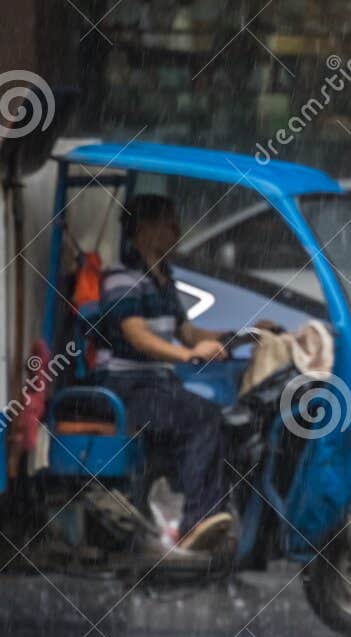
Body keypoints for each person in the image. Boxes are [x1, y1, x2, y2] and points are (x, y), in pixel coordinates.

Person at [95, 194, 236, 553]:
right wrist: (188, 354)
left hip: (158, 385)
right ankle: (195, 526)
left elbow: (188, 332)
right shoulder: (122, 276)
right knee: (203, 417)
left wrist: (240, 334)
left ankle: (214, 516)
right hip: (130, 388)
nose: (178, 232)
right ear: (144, 230)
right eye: (170, 225)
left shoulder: (163, 278)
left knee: (233, 417)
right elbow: (136, 335)